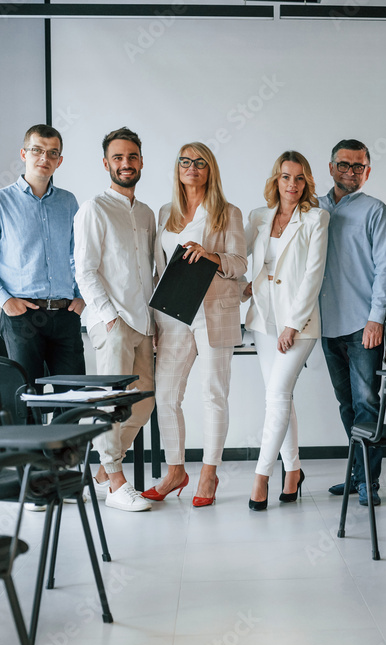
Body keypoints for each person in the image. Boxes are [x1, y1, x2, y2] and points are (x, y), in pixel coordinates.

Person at [143, 143, 247, 508]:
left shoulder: (227, 213)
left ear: (210, 169)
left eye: (200, 162)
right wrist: (155, 321)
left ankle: (208, 472)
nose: (192, 168)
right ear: (177, 169)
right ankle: (175, 472)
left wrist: (211, 256)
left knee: (213, 393)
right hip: (172, 315)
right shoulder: (165, 213)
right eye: (185, 162)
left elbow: (239, 264)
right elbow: (158, 271)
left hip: (213, 313)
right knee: (166, 396)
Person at [0, 124, 86, 387]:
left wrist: (81, 295)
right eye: (37, 150)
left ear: (59, 161)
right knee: (27, 402)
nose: (45, 158)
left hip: (65, 315)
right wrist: (5, 300)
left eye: (53, 153)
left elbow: (79, 255)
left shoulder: (68, 202)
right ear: (23, 154)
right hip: (23, 317)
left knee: (76, 398)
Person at [241, 151, 329, 511]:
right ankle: (293, 470)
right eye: (285, 177)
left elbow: (313, 275)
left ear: (307, 182)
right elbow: (239, 253)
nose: (292, 185)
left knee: (277, 395)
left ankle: (261, 476)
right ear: (275, 180)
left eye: (299, 178)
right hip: (263, 318)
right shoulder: (258, 216)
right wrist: (248, 285)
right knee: (280, 396)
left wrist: (292, 324)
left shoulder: (316, 218)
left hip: (299, 322)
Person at [73, 127, 155, 512]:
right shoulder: (93, 208)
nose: (126, 163)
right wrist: (108, 317)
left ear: (141, 162)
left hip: (143, 321)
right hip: (114, 322)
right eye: (119, 158)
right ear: (106, 163)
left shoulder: (147, 213)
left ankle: (102, 471)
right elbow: (84, 270)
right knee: (111, 402)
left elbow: (150, 271)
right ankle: (116, 480)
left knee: (144, 401)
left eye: (132, 157)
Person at [318, 139, 386, 507]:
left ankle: (370, 482)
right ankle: (355, 474)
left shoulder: (376, 212)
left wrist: (375, 319)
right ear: (331, 167)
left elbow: (385, 270)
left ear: (368, 170)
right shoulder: (312, 209)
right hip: (324, 325)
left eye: (358, 166)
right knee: (346, 404)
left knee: (366, 403)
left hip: (362, 325)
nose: (351, 172)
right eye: (344, 165)